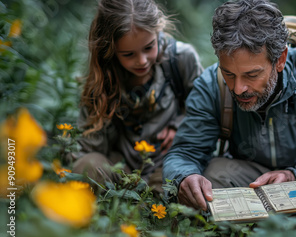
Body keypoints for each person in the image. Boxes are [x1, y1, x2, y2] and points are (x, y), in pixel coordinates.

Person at [163, 0, 296, 211]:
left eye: (251, 75)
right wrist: (184, 177)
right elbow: (186, 152)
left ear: (280, 59)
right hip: (250, 178)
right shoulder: (211, 85)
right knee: (213, 174)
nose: (238, 88)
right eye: (229, 73)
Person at [72, 0, 203, 193]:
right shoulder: (104, 78)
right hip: (122, 169)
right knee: (86, 167)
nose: (141, 61)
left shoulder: (182, 59)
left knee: (175, 188)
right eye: (128, 54)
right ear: (110, 50)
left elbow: (205, 112)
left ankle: (152, 206)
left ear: (158, 31)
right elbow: (88, 148)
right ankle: (126, 204)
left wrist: (179, 127)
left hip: (170, 165)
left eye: (149, 48)